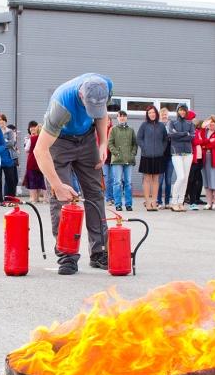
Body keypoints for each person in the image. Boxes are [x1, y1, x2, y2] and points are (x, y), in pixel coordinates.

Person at [31, 73, 113, 275]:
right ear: (81, 96)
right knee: (62, 198)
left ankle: (99, 251)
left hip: (87, 139)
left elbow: (102, 115)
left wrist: (103, 143)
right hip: (59, 141)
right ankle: (67, 254)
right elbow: (40, 150)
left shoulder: (105, 86)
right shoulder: (62, 106)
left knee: (95, 194)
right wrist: (57, 186)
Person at [137, 105, 169, 211]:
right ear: (147, 114)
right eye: (150, 113)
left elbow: (165, 139)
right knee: (147, 179)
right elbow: (139, 138)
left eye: (153, 112)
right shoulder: (144, 125)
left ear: (156, 113)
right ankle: (147, 202)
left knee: (156, 180)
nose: (152, 114)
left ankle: (154, 202)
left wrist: (161, 149)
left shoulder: (161, 126)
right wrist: (144, 148)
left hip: (158, 156)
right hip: (146, 156)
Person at [106, 110, 137, 211]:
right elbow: (110, 143)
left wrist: (132, 153)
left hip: (129, 160)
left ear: (126, 118)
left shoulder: (131, 130)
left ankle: (128, 204)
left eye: (124, 116)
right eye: (120, 116)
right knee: (117, 182)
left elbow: (135, 144)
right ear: (117, 118)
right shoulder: (113, 130)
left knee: (128, 183)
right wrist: (116, 153)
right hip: (117, 161)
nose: (122, 118)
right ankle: (118, 204)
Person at [167, 103, 195, 212]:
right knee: (181, 177)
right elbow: (171, 135)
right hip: (176, 153)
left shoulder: (190, 123)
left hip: (188, 153)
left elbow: (192, 137)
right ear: (177, 111)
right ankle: (174, 202)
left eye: (184, 110)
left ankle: (180, 202)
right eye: (180, 110)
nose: (182, 112)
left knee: (185, 179)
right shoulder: (172, 122)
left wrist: (178, 134)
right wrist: (185, 134)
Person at [198, 115, 215, 210]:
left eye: (213, 122)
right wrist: (208, 140)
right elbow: (201, 142)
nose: (211, 124)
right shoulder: (204, 131)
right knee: (207, 182)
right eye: (210, 122)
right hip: (205, 159)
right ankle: (209, 203)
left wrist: (205, 145)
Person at [0, 114, 19, 206]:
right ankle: (0, 200)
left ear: (6, 122)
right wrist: (5, 141)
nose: (1, 121)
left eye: (3, 120)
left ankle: (10, 199)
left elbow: (11, 143)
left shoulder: (10, 131)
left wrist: (1, 143)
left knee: (11, 180)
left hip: (8, 158)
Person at [22, 120, 47, 203]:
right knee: (41, 181)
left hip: (32, 161)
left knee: (32, 180)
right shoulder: (44, 139)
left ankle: (34, 198)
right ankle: (43, 198)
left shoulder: (31, 139)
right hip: (42, 161)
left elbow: (26, 149)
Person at [185, 112, 205, 210]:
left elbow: (201, 140)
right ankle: (187, 198)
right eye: (193, 118)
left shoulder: (197, 130)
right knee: (191, 180)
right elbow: (196, 141)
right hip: (192, 159)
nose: (195, 119)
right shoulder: (190, 131)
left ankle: (193, 201)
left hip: (199, 158)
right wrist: (200, 140)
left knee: (195, 180)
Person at [156, 106, 173, 209]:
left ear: (168, 115)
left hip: (170, 156)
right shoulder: (157, 126)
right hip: (160, 157)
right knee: (160, 181)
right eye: (162, 115)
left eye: (165, 114)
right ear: (159, 116)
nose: (164, 116)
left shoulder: (172, 125)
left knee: (168, 180)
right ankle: (159, 201)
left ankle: (167, 202)